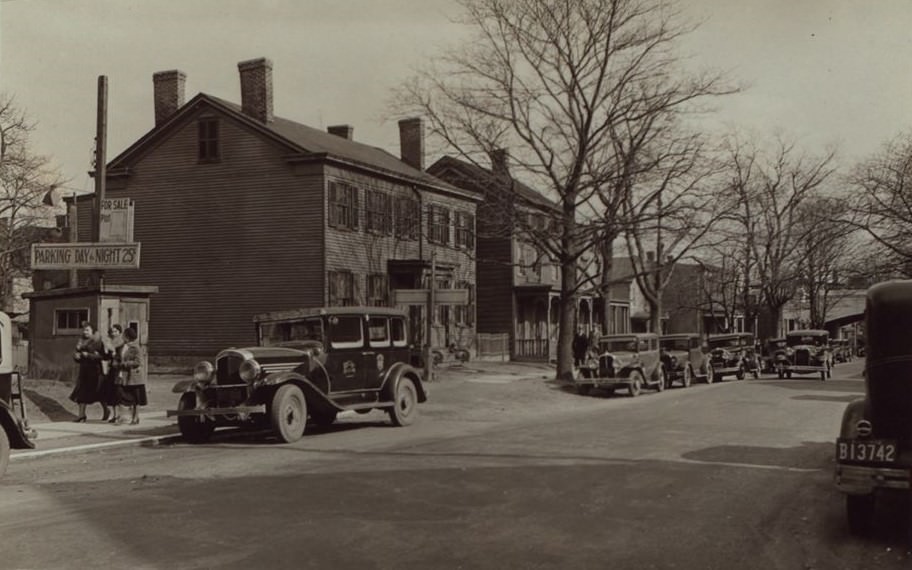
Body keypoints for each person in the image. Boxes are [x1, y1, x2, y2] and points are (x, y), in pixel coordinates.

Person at [70, 321, 110, 422]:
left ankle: (106, 410)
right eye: (83, 330)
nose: (85, 332)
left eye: (87, 330)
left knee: (100, 392)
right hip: (84, 371)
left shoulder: (98, 341)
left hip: (96, 371)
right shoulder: (81, 341)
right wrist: (76, 357)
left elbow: (103, 357)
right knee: (81, 392)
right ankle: (81, 415)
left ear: (92, 331)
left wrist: (89, 355)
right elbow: (77, 354)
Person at [113, 327, 146, 425]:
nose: (122, 336)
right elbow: (118, 357)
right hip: (123, 376)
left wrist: (125, 364)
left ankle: (135, 417)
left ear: (128, 337)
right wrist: (115, 362)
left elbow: (138, 362)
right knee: (121, 395)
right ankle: (122, 417)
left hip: (134, 377)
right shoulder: (122, 347)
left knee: (135, 398)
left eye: (124, 335)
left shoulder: (136, 348)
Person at [101, 324, 125, 423]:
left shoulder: (122, 343)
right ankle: (115, 416)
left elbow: (123, 357)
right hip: (112, 370)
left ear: (120, 332)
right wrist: (106, 352)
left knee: (119, 392)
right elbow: (106, 357)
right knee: (112, 392)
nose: (114, 333)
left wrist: (115, 354)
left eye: (116, 331)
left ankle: (120, 415)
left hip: (119, 370)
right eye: (112, 331)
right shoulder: (110, 343)